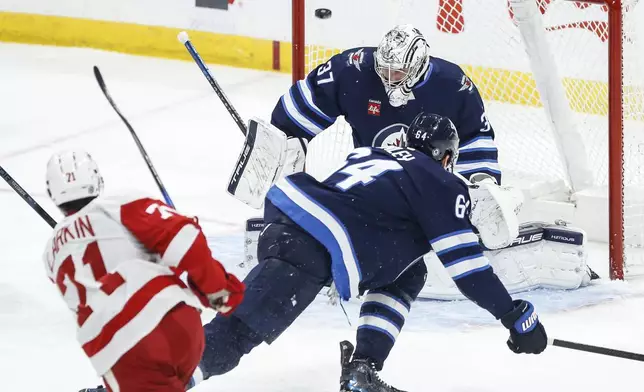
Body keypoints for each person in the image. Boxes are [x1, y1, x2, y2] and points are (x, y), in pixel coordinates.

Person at [195, 113, 548, 392]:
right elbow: (467, 268)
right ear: (447, 157)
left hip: (289, 230)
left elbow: (382, 228)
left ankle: (363, 369)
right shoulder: (443, 182)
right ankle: (163, 379)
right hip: (307, 247)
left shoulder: (374, 154)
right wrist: (514, 316)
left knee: (410, 272)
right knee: (235, 336)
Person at [234, 23, 501, 265]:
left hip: (429, 196)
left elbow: (477, 138)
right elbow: (297, 113)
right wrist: (277, 146)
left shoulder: (453, 86)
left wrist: (480, 187)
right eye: (382, 68)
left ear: (417, 67)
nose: (386, 77)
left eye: (396, 72)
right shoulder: (352, 70)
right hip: (370, 191)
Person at [42, 151, 245, 392]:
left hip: (125, 355)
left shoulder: (51, 255)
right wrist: (218, 290)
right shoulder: (118, 204)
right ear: (97, 179)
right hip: (178, 325)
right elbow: (185, 240)